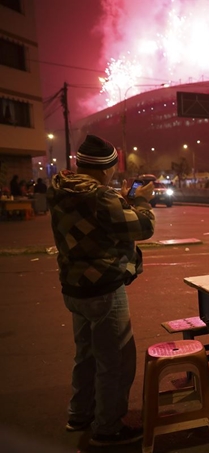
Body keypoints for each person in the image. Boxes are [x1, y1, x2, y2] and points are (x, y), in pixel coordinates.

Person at [46, 135, 155, 447]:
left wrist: (121, 199)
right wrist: (142, 200)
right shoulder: (99, 198)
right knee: (116, 361)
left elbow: (95, 220)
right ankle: (107, 428)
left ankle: (79, 413)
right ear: (107, 167)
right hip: (102, 287)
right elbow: (142, 227)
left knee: (86, 354)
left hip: (74, 286)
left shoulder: (60, 187)